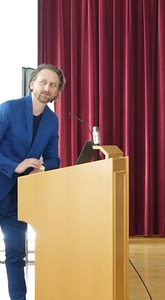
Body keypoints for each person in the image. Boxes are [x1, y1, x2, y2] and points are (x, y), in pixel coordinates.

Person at [0, 63, 66, 300]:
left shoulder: (52, 121)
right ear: (32, 84)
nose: (47, 87)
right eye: (43, 82)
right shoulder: (8, 109)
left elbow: (52, 157)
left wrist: (42, 170)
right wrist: (13, 166)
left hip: (21, 197)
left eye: (53, 85)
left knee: (17, 256)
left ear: (57, 92)